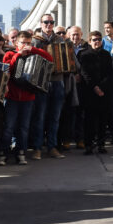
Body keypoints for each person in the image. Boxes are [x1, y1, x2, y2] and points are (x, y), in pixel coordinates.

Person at [0, 30, 52, 165]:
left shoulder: (33, 54)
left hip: (28, 97)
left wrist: (33, 49)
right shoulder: (10, 54)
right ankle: (3, 152)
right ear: (16, 43)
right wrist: (18, 55)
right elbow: (7, 70)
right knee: (9, 126)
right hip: (12, 97)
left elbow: (49, 59)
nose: (26, 45)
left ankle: (21, 152)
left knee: (24, 127)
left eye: (28, 43)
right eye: (23, 43)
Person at [31, 13, 67, 159]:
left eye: (52, 22)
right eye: (46, 22)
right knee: (40, 117)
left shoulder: (60, 40)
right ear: (41, 24)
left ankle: (52, 147)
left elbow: (70, 60)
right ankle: (37, 148)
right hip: (41, 82)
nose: (49, 25)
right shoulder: (34, 40)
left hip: (57, 81)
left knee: (55, 117)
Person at [78, 30, 112, 154]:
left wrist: (101, 87)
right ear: (89, 41)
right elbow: (84, 73)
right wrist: (95, 87)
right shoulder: (84, 54)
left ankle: (101, 144)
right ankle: (88, 144)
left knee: (103, 120)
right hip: (89, 92)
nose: (96, 42)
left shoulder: (106, 55)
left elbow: (109, 73)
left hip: (104, 92)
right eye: (94, 40)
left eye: (98, 39)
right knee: (89, 120)